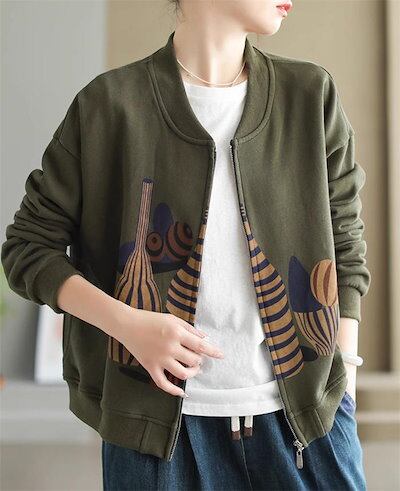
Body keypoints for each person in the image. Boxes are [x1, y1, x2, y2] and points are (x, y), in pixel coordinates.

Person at [1, 0, 371, 489]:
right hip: (157, 441)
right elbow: (28, 247)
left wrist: (343, 381)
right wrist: (126, 325)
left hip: (306, 427)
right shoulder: (108, 106)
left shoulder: (310, 95)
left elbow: (346, 244)